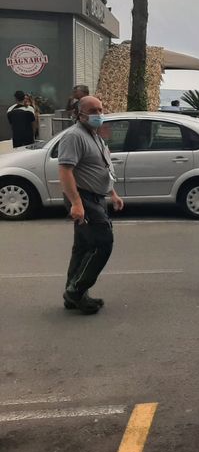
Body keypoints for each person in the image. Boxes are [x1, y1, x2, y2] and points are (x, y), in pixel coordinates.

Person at [58, 96, 124, 314]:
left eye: (100, 109)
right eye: (93, 111)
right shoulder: (74, 136)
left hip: (95, 197)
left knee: (84, 246)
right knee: (103, 242)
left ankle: (74, 294)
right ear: (80, 114)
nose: (98, 114)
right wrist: (77, 203)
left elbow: (100, 167)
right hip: (84, 198)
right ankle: (76, 291)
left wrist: (112, 193)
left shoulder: (93, 135)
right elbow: (65, 171)